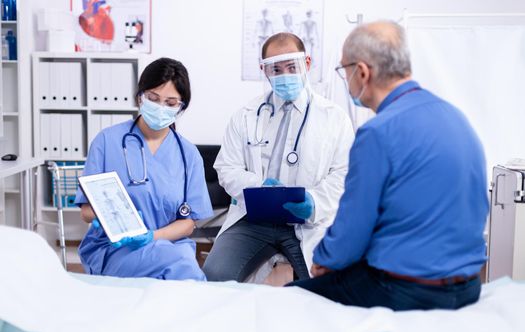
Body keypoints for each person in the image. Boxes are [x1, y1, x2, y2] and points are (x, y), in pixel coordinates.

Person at [287, 21, 488, 310]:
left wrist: (323, 260)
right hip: (468, 286)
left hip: (407, 290)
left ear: (362, 72)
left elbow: (352, 228)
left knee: (289, 298)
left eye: (344, 70)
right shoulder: (456, 117)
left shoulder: (379, 132)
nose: (346, 79)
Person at [203, 32, 354, 282]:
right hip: (253, 220)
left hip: (308, 223)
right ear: (266, 72)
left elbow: (344, 173)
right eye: (276, 69)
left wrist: (314, 202)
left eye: (291, 66)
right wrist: (258, 187)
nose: (284, 75)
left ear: (306, 64)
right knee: (214, 274)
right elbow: (227, 167)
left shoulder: (334, 118)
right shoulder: (246, 115)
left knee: (328, 285)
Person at [75, 57, 213, 280]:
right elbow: (86, 211)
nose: (160, 108)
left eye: (170, 103)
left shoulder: (188, 154)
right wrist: (110, 218)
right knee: (183, 271)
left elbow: (188, 224)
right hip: (116, 248)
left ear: (181, 107)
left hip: (171, 246)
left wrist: (151, 237)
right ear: (140, 96)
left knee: (174, 261)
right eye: (153, 98)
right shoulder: (107, 141)